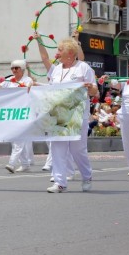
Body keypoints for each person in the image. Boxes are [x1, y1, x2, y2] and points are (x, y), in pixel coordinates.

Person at [38, 37, 98, 192]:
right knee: (57, 148)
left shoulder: (83, 67)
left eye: (60, 50)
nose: (57, 53)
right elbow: (51, 89)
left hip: (77, 114)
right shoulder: (56, 69)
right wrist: (35, 85)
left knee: (77, 150)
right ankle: (60, 182)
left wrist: (89, 87)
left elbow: (94, 91)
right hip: (58, 114)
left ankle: (86, 176)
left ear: (70, 53)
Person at [0, 59, 34, 173]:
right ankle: (25, 164)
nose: (14, 70)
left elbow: (31, 86)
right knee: (14, 139)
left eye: (16, 68)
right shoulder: (9, 80)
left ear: (22, 70)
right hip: (11, 113)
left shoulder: (27, 79)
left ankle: (12, 163)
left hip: (24, 113)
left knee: (18, 139)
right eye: (12, 68)